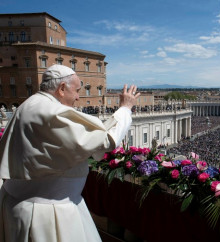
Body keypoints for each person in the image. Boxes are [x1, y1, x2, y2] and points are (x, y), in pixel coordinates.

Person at [0, 64, 140, 242]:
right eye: (77, 90)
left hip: (19, 204)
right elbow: (106, 140)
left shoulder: (30, 104)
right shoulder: (51, 112)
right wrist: (126, 109)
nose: (78, 97)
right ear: (62, 88)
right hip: (46, 214)